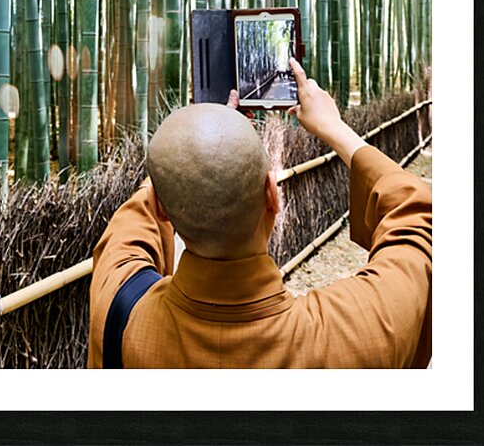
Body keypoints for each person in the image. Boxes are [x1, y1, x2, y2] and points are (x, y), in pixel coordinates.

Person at [88, 57, 432, 368]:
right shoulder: (350, 335)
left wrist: (204, 144)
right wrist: (333, 126)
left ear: (162, 208)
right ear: (272, 193)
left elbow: (140, 213)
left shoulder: (119, 305)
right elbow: (417, 213)